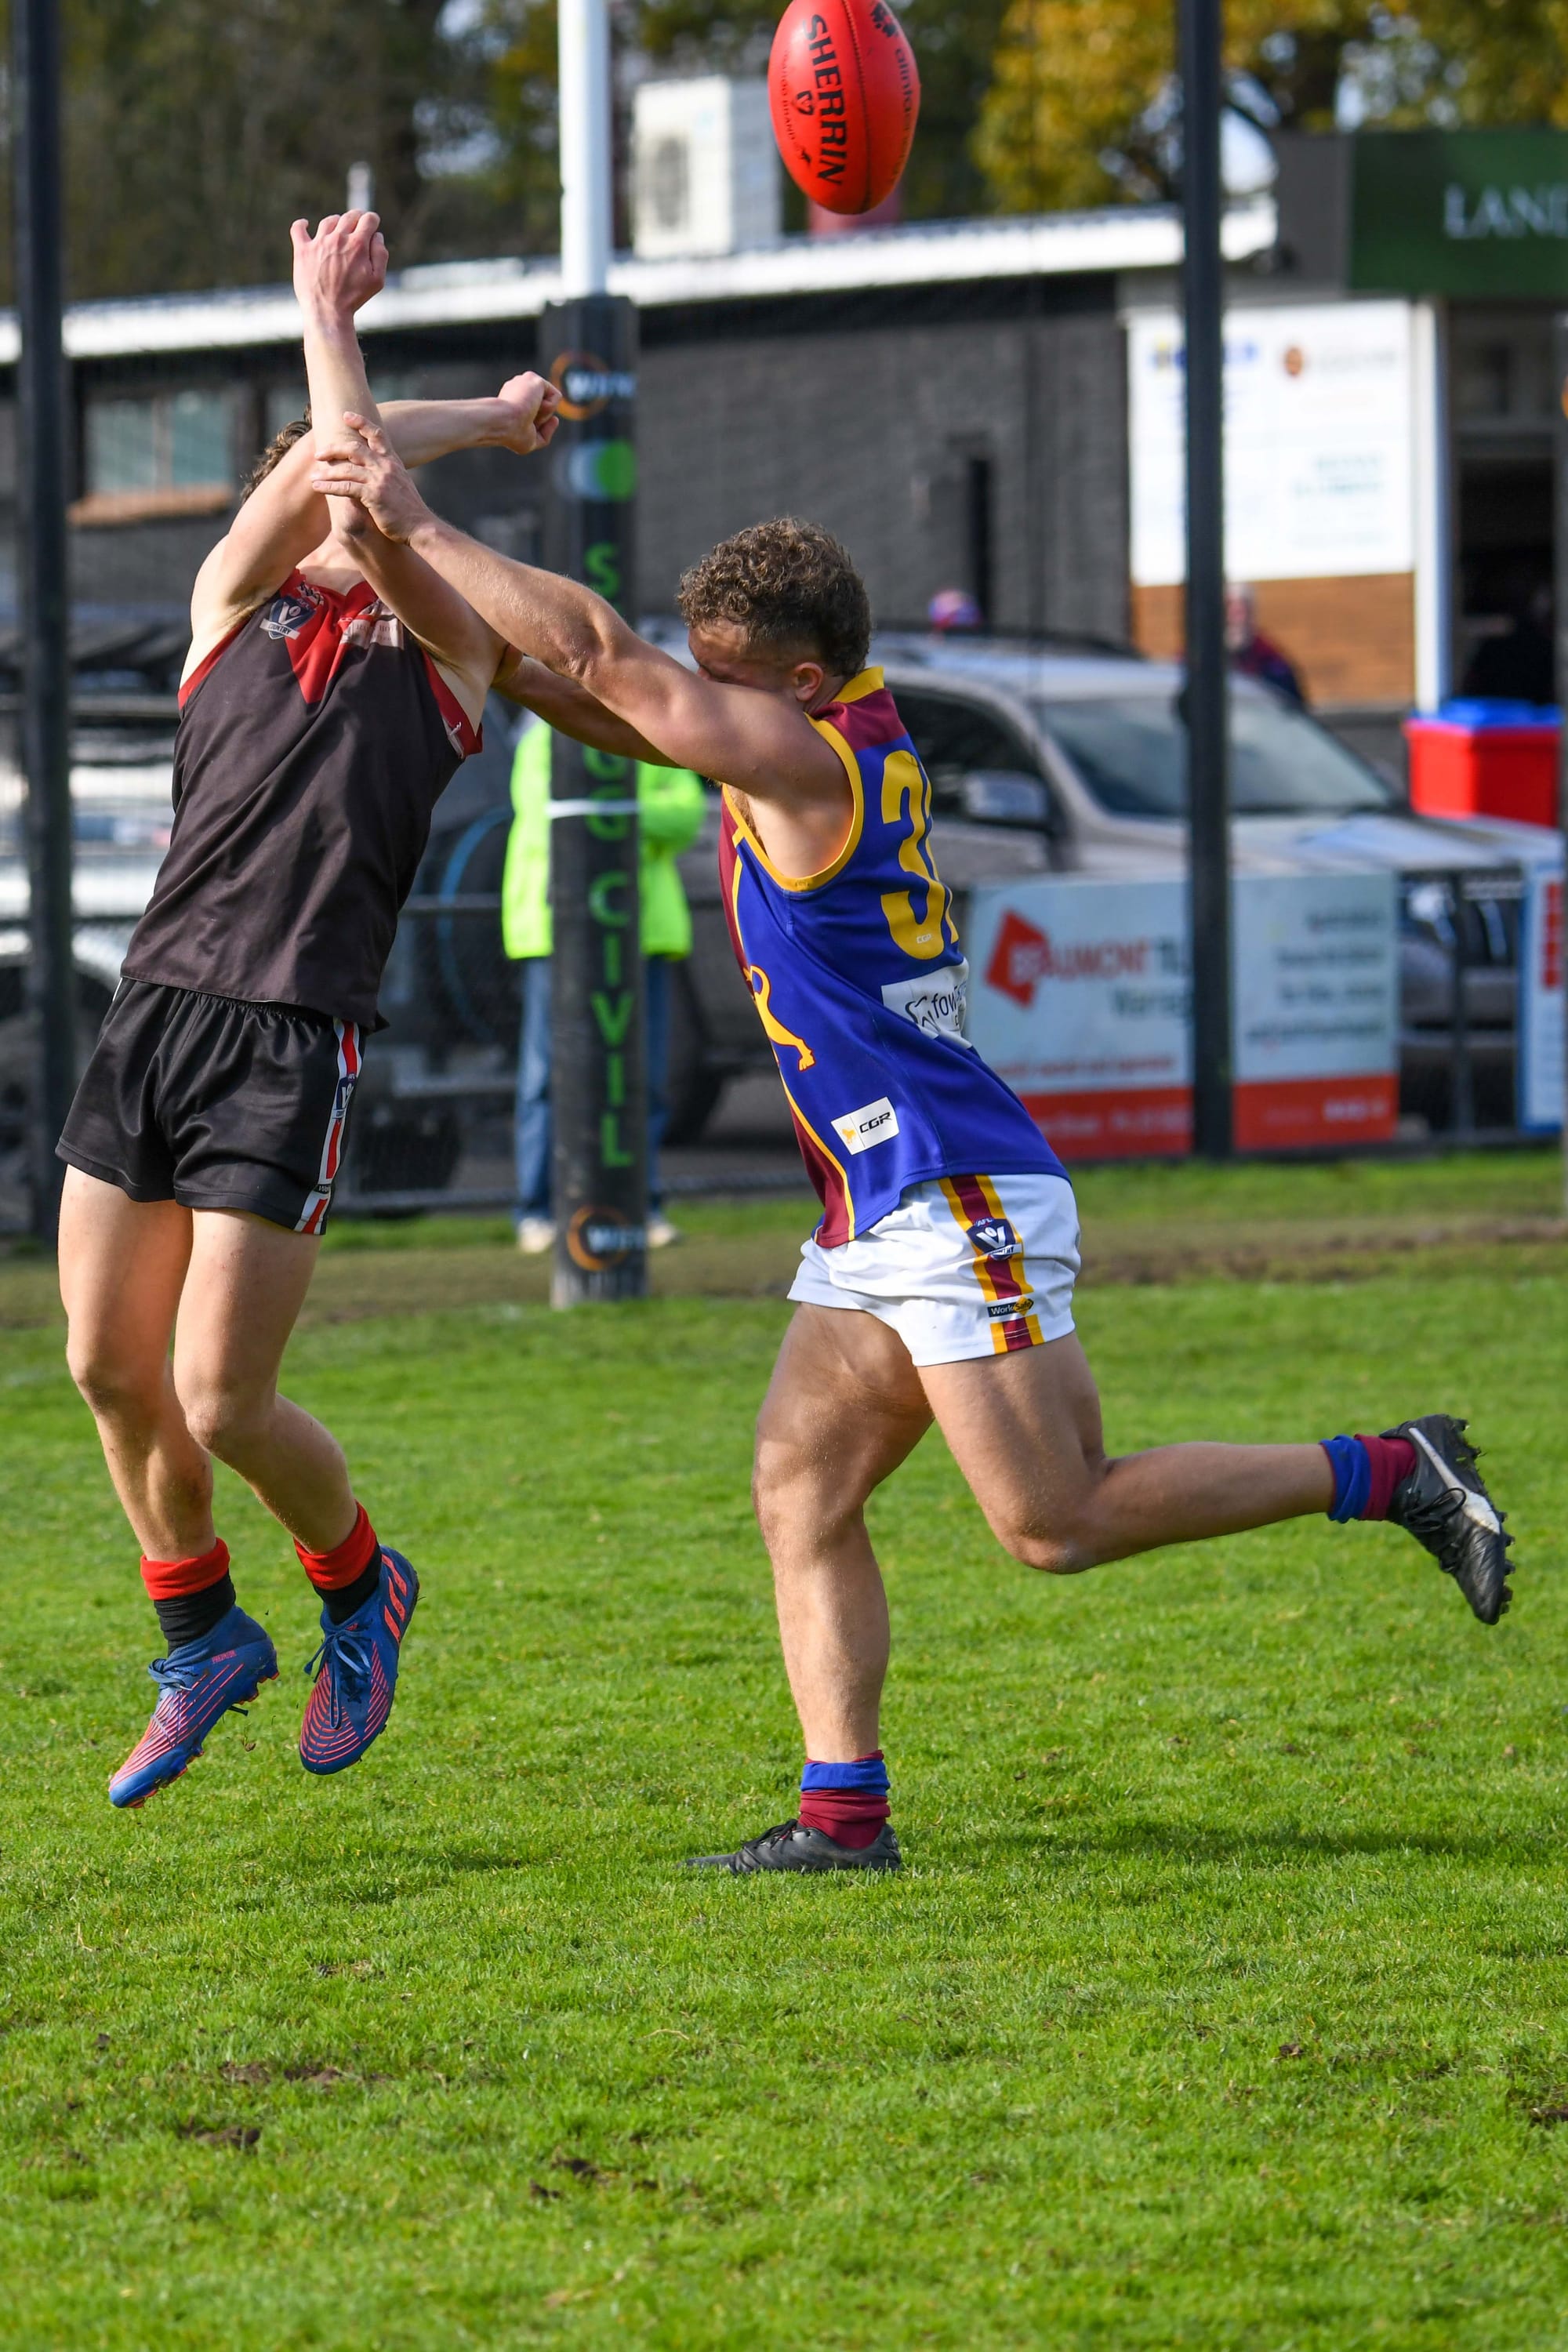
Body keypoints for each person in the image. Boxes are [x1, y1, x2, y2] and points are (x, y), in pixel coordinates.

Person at [310, 424, 1518, 1876]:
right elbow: (582, 691)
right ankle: (843, 1820)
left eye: (729, 674)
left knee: (1056, 1525)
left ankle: (1387, 1472)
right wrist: (403, 580)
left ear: (804, 684)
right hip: (883, 1209)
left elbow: (611, 660)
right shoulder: (805, 743)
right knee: (797, 1490)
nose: (703, 693)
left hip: (949, 1192)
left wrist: (419, 522)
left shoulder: (815, 767)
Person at [56, 208, 559, 1809]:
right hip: (154, 1014)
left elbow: (365, 475)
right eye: (310, 476)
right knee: (104, 1367)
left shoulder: (447, 645)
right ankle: (200, 1633)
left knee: (220, 1394)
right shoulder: (227, 608)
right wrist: (478, 410)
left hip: (292, 1037)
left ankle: (359, 1584)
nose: (326, 484)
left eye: (345, 479)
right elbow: (332, 451)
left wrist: (332, 326)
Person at [502, 720, 706, 1252]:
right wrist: (636, 814)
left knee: (642, 1076)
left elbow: (686, 815)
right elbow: (553, 815)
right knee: (549, 1078)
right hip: (559, 930)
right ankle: (538, 1209)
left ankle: (640, 1205)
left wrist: (617, 814)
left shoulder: (651, 730)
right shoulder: (544, 738)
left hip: (644, 932)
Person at [1225, 583, 1305, 706]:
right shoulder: (1198, 663)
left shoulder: (1273, 664)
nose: (1236, 617)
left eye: (1243, 608)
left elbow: (1293, 710)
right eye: (1229, 606)